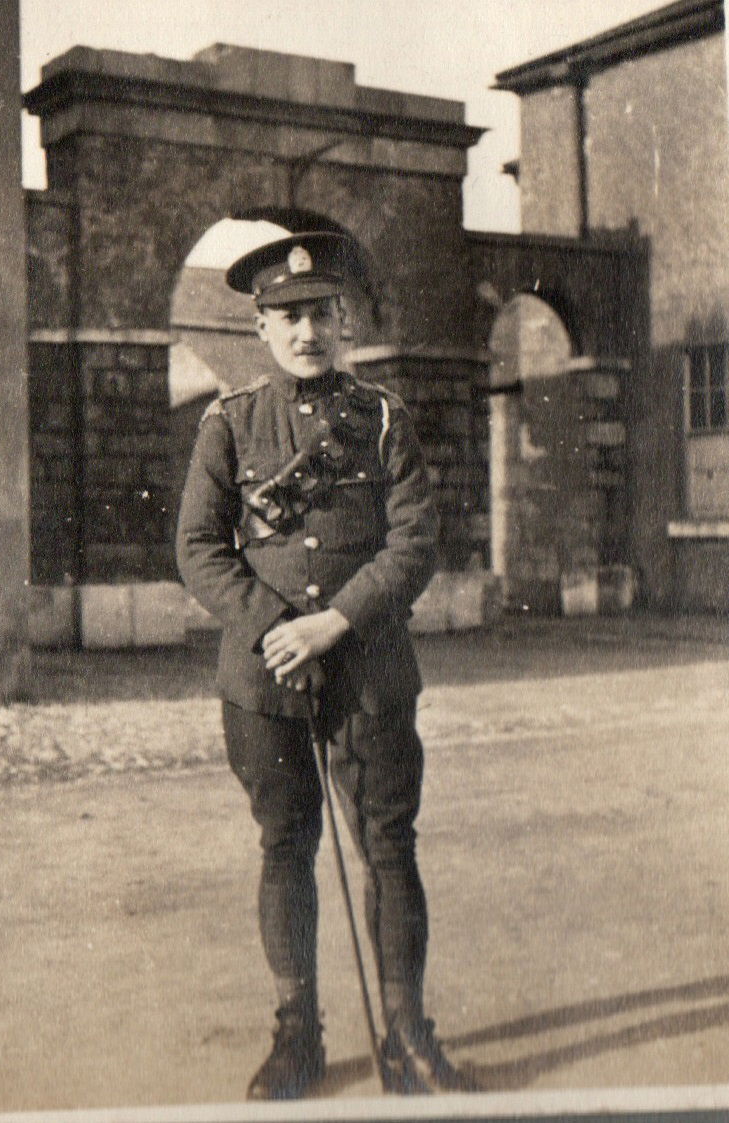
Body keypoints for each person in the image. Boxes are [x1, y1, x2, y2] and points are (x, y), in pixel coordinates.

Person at [176, 231, 469, 1100]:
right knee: (283, 847)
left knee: (389, 848)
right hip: (262, 679)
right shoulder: (228, 424)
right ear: (261, 329)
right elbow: (197, 546)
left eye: (321, 314)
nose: (307, 331)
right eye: (288, 315)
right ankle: (296, 1036)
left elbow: (415, 539)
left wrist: (335, 621)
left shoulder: (382, 420)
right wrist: (277, 628)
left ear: (344, 324)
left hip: (370, 669)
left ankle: (407, 1036)